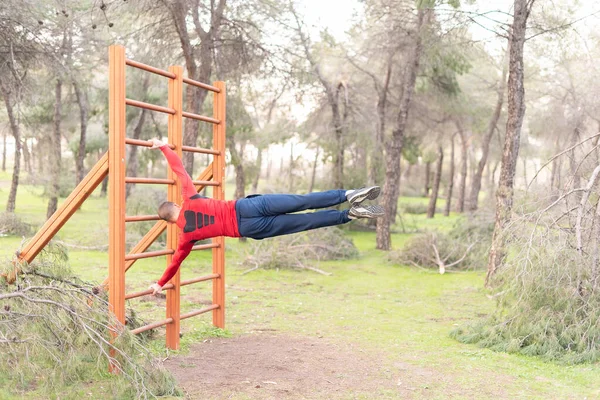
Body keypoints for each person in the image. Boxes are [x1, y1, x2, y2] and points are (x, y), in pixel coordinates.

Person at [147, 138, 384, 295]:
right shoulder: (189, 198)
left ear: (169, 222)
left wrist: (159, 284)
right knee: (303, 201)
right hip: (247, 207)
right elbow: (179, 170)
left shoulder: (185, 238)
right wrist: (162, 146)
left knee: (304, 222)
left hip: (249, 228)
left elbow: (175, 263)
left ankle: (349, 215)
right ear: (176, 205)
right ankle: (349, 194)